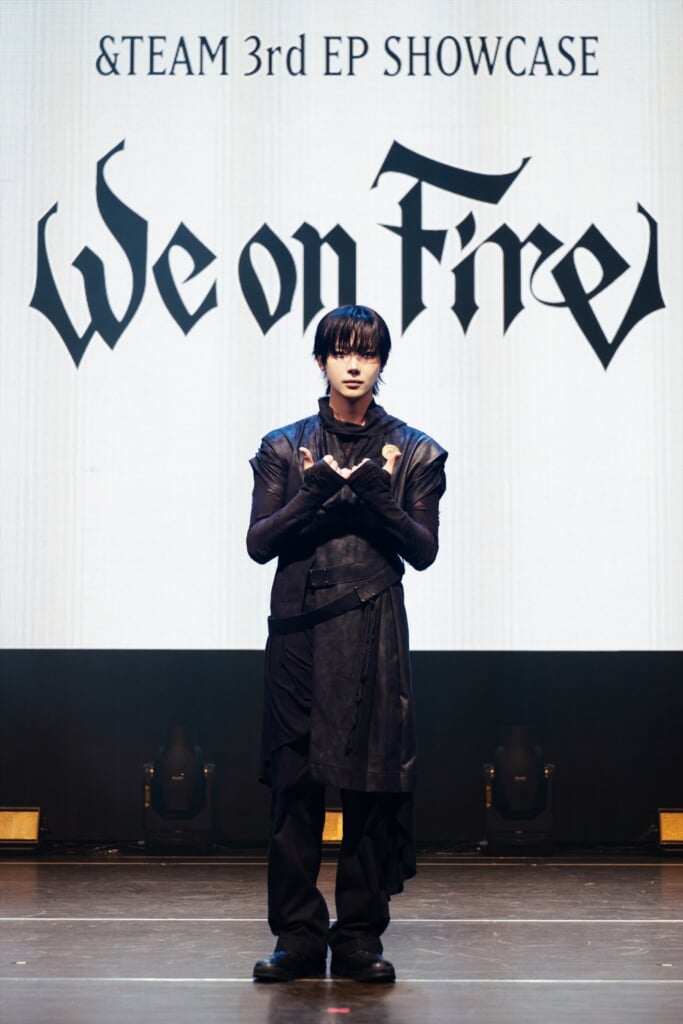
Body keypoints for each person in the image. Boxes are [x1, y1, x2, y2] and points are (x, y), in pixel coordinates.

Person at [247, 305, 447, 983]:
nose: (354, 365)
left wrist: (378, 499)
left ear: (381, 362)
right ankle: (298, 937)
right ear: (321, 361)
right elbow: (258, 543)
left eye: (366, 353)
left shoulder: (415, 451)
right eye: (341, 352)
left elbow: (423, 551)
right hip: (299, 632)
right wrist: (309, 495)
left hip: (371, 631)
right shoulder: (283, 446)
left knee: (369, 787)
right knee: (295, 790)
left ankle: (359, 937)